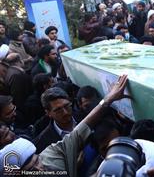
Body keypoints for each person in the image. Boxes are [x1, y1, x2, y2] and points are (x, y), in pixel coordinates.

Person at [0, 75, 128, 176]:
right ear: (48, 113)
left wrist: (109, 98)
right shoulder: (42, 141)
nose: (40, 169)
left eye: (37, 160)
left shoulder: (51, 154)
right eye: (31, 170)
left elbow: (79, 131)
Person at [33, 87, 76, 153]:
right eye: (58, 110)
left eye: (67, 106)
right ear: (48, 113)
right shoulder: (43, 143)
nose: (65, 112)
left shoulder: (85, 116)